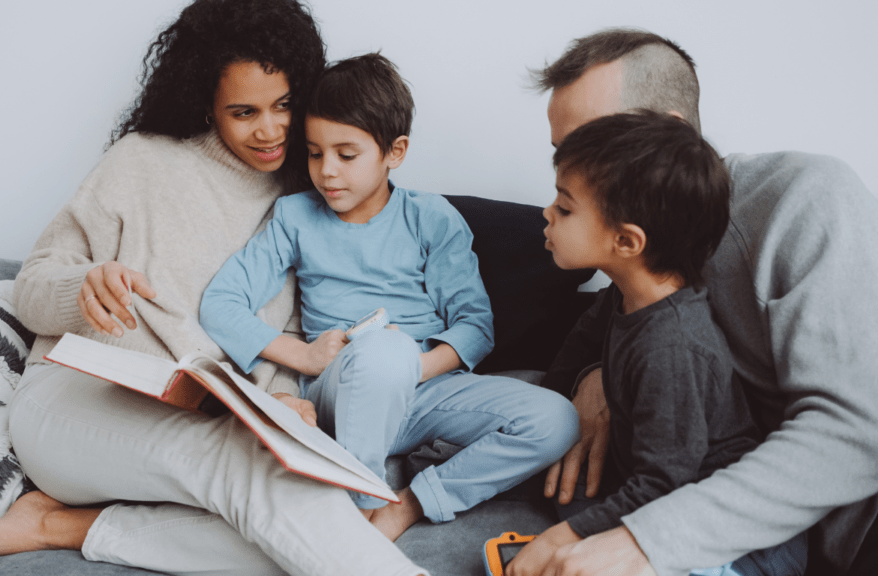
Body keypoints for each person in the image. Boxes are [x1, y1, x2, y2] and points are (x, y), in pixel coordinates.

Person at [0, 2, 429, 576]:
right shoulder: (141, 162)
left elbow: (288, 331)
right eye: (243, 112)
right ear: (206, 106)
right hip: (73, 405)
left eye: (284, 105)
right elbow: (32, 287)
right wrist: (83, 286)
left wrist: (283, 398)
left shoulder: (312, 189)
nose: (271, 129)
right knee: (266, 487)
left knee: (294, 535)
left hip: (202, 417)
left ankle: (62, 524)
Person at [531, 28, 878, 576]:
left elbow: (855, 431)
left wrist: (642, 541)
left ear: (667, 132)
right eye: (562, 153)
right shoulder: (642, 253)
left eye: (591, 143)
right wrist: (598, 376)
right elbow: (580, 351)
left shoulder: (810, 197)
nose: (570, 171)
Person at [200, 53, 580, 542]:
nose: (327, 172)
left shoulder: (431, 218)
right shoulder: (295, 217)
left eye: (346, 154)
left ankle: (409, 505)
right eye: (315, 153)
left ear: (394, 151)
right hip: (342, 389)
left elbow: (474, 326)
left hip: (424, 388)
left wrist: (409, 369)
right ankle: (356, 515)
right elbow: (221, 304)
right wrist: (303, 355)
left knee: (557, 419)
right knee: (382, 353)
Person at [506, 110, 807, 576]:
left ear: (627, 242)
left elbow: (665, 485)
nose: (547, 213)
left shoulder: (671, 346)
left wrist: (565, 537)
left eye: (565, 208)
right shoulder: (624, 301)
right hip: (671, 495)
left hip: (739, 547)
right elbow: (562, 370)